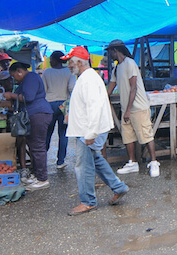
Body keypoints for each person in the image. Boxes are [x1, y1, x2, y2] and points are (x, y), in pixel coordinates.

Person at [62, 46, 129, 216]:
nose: (69, 65)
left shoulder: (88, 79)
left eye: (70, 62)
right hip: (86, 128)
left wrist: (91, 134)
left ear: (79, 61)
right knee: (95, 161)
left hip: (88, 130)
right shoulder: (85, 77)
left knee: (83, 166)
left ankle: (88, 202)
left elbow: (94, 107)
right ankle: (118, 187)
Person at [105, 39, 160, 178]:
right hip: (127, 109)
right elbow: (110, 88)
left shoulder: (130, 63)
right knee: (128, 136)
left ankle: (154, 162)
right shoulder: (117, 68)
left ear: (115, 50)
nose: (109, 55)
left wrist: (128, 109)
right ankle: (132, 162)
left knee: (146, 135)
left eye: (110, 52)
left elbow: (133, 87)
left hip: (138, 107)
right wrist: (101, 98)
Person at [3, 62, 53, 190]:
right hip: (35, 114)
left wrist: (11, 95)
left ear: (19, 71)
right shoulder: (27, 80)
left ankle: (42, 179)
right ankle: (38, 175)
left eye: (14, 76)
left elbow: (29, 97)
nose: (14, 79)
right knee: (34, 146)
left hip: (38, 114)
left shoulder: (31, 77)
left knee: (37, 146)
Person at [42, 51, 76, 169]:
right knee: (63, 134)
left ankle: (42, 159)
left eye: (51, 59)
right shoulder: (69, 72)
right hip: (64, 105)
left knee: (47, 133)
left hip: (49, 105)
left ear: (55, 60)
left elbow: (43, 90)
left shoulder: (46, 72)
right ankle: (60, 161)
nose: (50, 61)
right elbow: (72, 88)